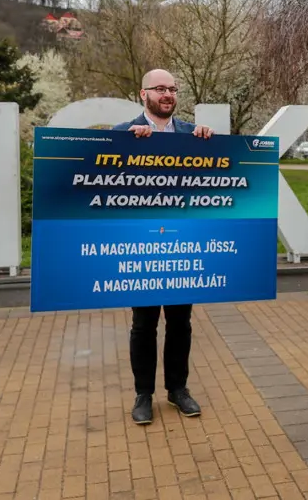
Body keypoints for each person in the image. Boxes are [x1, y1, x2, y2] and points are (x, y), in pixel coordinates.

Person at [113, 69, 214, 425]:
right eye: (160, 89)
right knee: (143, 323)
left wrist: (209, 142)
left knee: (180, 321)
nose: (167, 94)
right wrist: (126, 145)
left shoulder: (193, 134)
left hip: (181, 242)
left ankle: (178, 389)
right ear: (144, 94)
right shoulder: (122, 133)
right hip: (141, 244)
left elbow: (212, 179)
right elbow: (104, 183)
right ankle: (144, 394)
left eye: (172, 88)